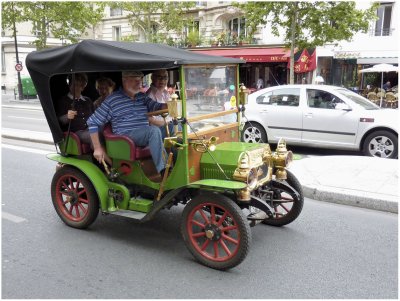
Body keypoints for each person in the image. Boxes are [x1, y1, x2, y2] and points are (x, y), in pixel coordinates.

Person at [87, 70, 168, 176]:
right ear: (124, 81)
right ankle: (165, 171)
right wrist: (97, 148)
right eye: (135, 81)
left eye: (140, 80)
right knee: (153, 131)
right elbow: (92, 121)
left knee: (174, 127)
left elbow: (157, 106)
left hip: (143, 133)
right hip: (125, 136)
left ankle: (176, 164)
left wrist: (170, 106)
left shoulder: (141, 97)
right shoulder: (113, 100)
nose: (139, 83)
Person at [56, 73, 93, 145]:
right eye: (72, 84)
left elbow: (95, 116)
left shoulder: (88, 100)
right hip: (77, 133)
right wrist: (67, 116)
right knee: (94, 136)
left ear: (83, 87)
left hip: (91, 129)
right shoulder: (64, 101)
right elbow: (60, 120)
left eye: (77, 85)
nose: (74, 87)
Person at [146, 69, 174, 139]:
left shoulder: (165, 93)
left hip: (168, 125)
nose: (162, 80)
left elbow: (172, 112)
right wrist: (169, 121)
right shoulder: (149, 96)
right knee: (173, 127)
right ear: (152, 78)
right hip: (157, 130)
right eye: (159, 77)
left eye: (165, 77)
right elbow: (150, 120)